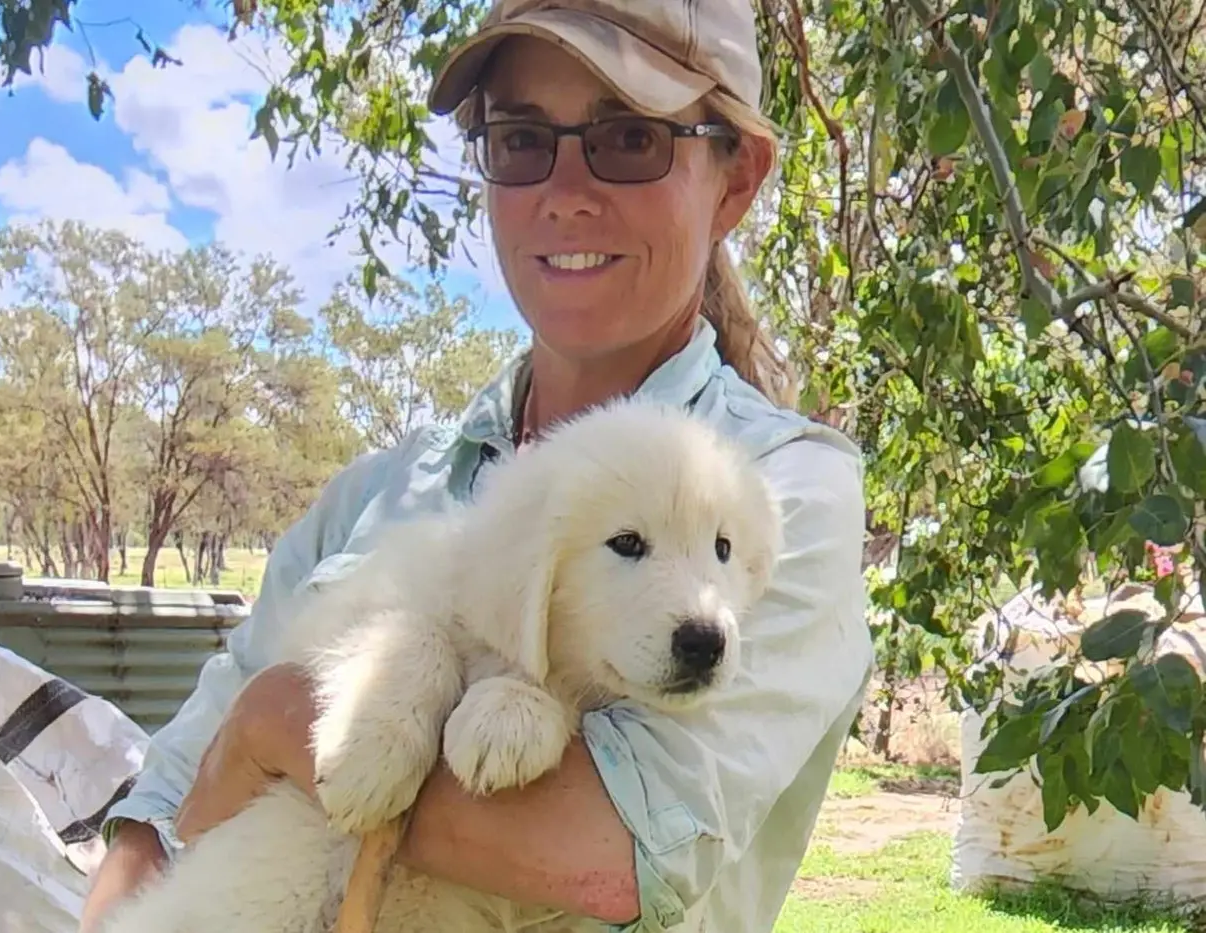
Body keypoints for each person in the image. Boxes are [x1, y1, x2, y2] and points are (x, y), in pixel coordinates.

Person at [80, 1, 874, 930]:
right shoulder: (381, 493)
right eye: (523, 138)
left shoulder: (782, 488)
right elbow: (164, 814)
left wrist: (273, 727)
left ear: (735, 180)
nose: (566, 191)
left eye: (628, 138)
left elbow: (604, 853)